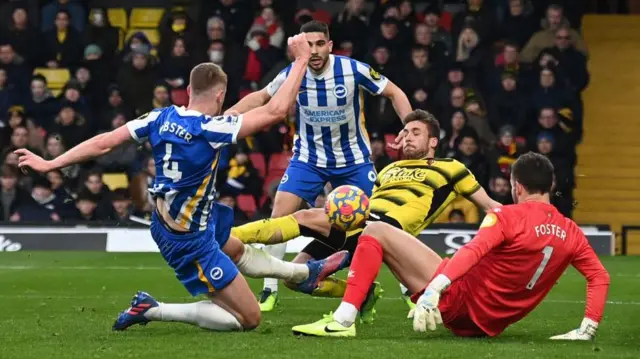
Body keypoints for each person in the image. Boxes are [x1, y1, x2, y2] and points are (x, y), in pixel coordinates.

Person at [14, 34, 350, 333]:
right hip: (187, 238)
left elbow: (104, 143)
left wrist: (51, 162)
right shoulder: (211, 130)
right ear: (219, 96)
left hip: (175, 220)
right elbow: (276, 112)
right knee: (248, 319)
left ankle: (302, 276)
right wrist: (301, 60)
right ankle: (154, 308)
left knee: (234, 248)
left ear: (189, 90)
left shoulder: (159, 117)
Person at [290, 152, 610, 339]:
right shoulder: (572, 232)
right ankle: (362, 297)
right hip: (489, 326)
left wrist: (433, 292)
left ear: (517, 186)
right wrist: (586, 329)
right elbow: (600, 277)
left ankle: (343, 320)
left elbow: (472, 252)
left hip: (455, 303)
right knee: (394, 242)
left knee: (375, 230)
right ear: (550, 186)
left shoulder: (507, 216)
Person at [232, 110, 502, 321]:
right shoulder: (389, 169)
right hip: (359, 222)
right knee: (296, 281)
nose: (407, 136)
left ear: (433, 141)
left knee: (305, 216)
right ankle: (364, 294)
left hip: (386, 229)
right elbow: (366, 201)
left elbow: (491, 206)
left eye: (415, 132)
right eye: (404, 131)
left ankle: (228, 235)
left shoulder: (451, 168)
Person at [225, 20, 412, 311]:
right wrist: (232, 113)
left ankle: (408, 291)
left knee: (380, 223)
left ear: (329, 46)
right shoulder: (293, 74)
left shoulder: (352, 70)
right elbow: (262, 97)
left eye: (319, 44)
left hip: (353, 161)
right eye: (308, 44)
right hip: (308, 160)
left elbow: (395, 93)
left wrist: (409, 126)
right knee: (279, 213)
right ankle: (269, 290)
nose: (313, 50)